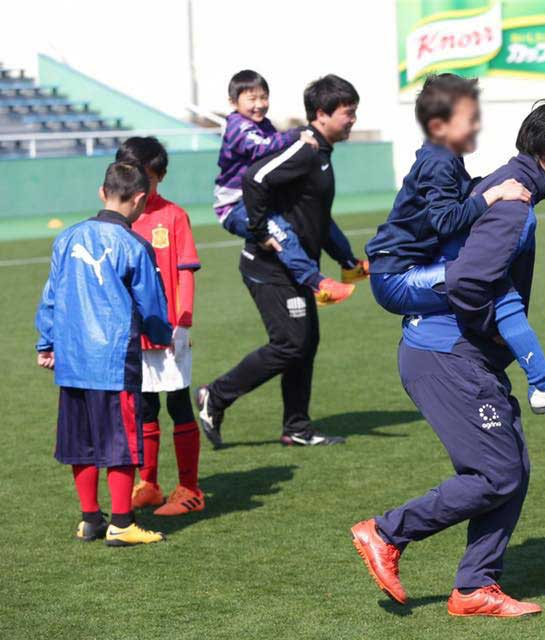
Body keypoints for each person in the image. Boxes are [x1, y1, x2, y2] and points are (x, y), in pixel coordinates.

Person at [350, 96, 545, 618]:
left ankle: (474, 587)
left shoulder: (508, 182)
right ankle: (385, 532)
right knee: (496, 474)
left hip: (457, 354)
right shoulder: (514, 202)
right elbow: (467, 283)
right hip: (446, 357)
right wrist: (499, 336)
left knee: (512, 467)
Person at [365, 74, 545, 414]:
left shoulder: (444, 156)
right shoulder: (439, 160)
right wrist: (492, 194)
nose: (477, 124)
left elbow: (459, 196)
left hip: (401, 269)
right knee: (494, 289)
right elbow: (446, 220)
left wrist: (486, 187)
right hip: (395, 277)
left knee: (493, 285)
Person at [196, 75, 364, 448]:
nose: (353, 119)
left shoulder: (319, 153)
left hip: (294, 267)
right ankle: (216, 395)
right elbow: (255, 180)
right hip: (269, 268)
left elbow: (318, 219)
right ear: (322, 114)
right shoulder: (303, 149)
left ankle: (297, 428)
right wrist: (257, 229)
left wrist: (347, 258)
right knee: (291, 343)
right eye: (348, 113)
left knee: (305, 343)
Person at [35, 161, 172, 546]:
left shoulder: (67, 238)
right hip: (113, 359)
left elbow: (51, 296)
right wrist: (161, 336)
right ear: (141, 199)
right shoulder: (134, 245)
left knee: (81, 441)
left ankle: (90, 519)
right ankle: (122, 523)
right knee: (121, 442)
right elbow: (151, 305)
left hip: (73, 358)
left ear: (102, 192)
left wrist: (46, 343)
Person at [214, 69, 364, 305]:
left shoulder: (263, 124)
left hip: (252, 200)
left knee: (323, 219)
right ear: (233, 102)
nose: (260, 105)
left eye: (264, 98)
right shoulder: (237, 127)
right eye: (251, 99)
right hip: (235, 206)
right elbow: (261, 152)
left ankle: (350, 265)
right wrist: (296, 134)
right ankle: (316, 283)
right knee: (282, 234)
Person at [116, 137, 205, 516]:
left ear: (160, 177)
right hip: (132, 330)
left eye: (146, 179)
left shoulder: (174, 216)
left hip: (168, 331)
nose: (139, 186)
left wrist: (183, 321)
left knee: (178, 402)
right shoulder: (118, 220)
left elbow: (186, 272)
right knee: (144, 406)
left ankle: (189, 489)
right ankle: (149, 484)